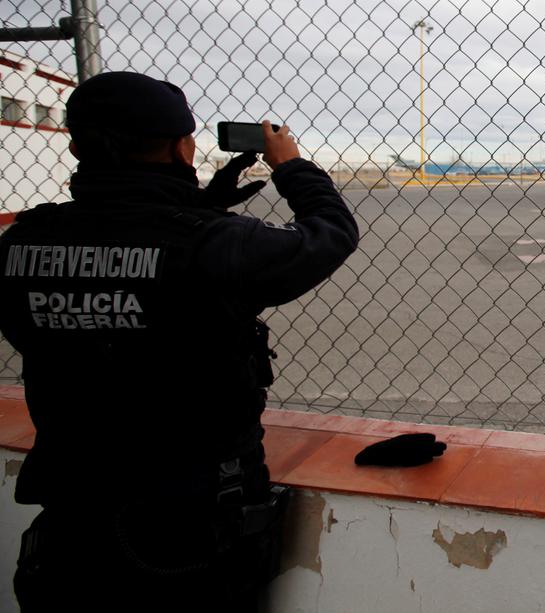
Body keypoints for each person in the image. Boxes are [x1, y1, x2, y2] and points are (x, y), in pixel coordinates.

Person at [0, 71, 359, 611]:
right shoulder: (210, 245)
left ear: (75, 145)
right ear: (182, 146)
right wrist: (292, 167)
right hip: (188, 523)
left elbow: (121, 257)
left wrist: (200, 206)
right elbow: (329, 234)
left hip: (74, 517)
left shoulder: (22, 242)